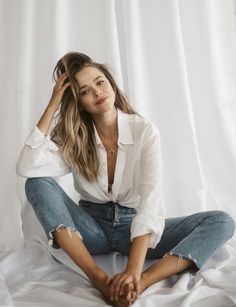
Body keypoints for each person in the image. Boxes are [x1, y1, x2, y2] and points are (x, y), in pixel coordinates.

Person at [16, 51, 235, 307]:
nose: (97, 92)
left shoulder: (144, 132)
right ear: (79, 102)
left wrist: (133, 275)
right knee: (37, 183)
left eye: (99, 82)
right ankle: (97, 278)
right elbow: (27, 167)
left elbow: (151, 200)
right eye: (85, 91)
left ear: (111, 83)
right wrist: (53, 104)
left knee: (221, 221)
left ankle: (144, 282)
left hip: (134, 231)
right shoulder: (75, 138)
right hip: (91, 231)